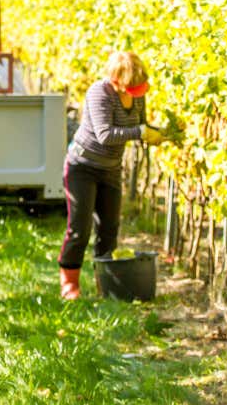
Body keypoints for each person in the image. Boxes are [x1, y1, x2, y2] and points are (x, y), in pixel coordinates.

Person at [58, 51, 165, 300]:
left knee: (109, 228)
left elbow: (141, 125)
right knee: (80, 228)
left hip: (111, 169)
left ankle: (104, 283)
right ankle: (69, 284)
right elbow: (105, 134)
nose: (137, 92)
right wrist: (140, 132)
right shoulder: (99, 93)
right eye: (132, 87)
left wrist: (161, 134)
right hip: (82, 167)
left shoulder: (138, 96)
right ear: (117, 81)